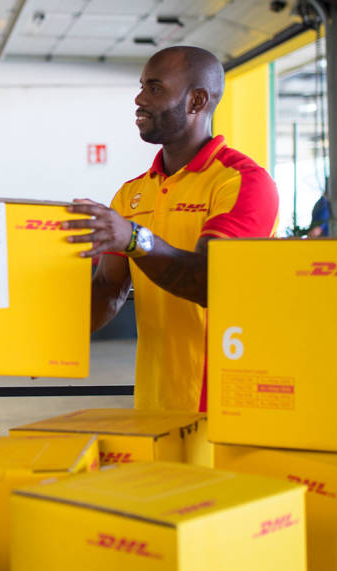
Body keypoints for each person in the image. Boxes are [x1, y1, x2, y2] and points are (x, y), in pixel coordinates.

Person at [62, 46, 279, 412]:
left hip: (224, 406)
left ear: (196, 101)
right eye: (141, 86)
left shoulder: (242, 183)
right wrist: (43, 340)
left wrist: (134, 239)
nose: (139, 99)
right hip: (154, 403)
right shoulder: (132, 193)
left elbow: (214, 282)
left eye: (155, 88)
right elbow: (108, 290)